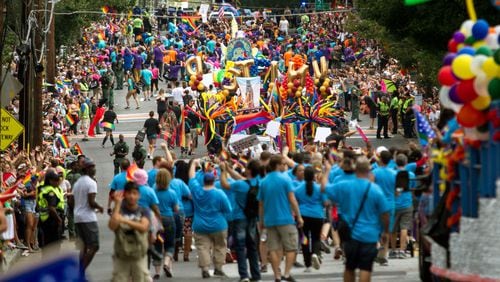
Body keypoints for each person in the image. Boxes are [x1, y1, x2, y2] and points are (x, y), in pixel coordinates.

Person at [325, 156, 391, 282]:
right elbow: (385, 214)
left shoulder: (344, 186)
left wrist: (327, 170)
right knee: (365, 269)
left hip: (350, 235)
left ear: (355, 169)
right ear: (369, 170)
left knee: (349, 267)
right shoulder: (376, 190)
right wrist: (385, 232)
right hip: (370, 235)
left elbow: (324, 189)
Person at [258, 155, 303, 282]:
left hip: (269, 220)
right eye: (283, 163)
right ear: (277, 165)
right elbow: (292, 199)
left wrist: (261, 221)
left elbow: (260, 204)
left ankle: (277, 275)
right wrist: (298, 216)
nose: (285, 165)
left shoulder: (264, 182)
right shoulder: (286, 179)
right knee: (291, 247)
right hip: (285, 219)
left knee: (273, 248)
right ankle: (286, 273)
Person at [188, 159, 232, 279]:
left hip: (200, 224)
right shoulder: (220, 194)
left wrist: (193, 165)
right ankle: (218, 267)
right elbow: (228, 209)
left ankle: (205, 268)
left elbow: (191, 178)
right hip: (219, 224)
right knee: (220, 246)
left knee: (202, 246)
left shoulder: (197, 191)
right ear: (213, 180)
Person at [220, 160, 262, 282]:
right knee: (252, 246)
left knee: (240, 247)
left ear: (248, 170)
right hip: (253, 218)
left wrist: (223, 171)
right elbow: (241, 178)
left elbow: (225, 185)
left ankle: (244, 275)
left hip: (240, 217)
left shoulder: (240, 185)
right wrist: (229, 169)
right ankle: (256, 275)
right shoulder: (259, 183)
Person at [109, 181, 150, 282]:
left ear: (138, 195)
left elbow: (144, 227)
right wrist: (117, 204)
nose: (131, 196)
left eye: (134, 193)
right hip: (122, 255)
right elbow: (112, 226)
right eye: (129, 193)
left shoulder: (143, 210)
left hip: (138, 254)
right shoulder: (119, 210)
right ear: (124, 194)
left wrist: (124, 221)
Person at [294, 166, 328, 272]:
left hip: (303, 216)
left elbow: (295, 202)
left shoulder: (298, 189)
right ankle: (315, 253)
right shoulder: (319, 188)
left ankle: (307, 264)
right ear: (314, 176)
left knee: (304, 239)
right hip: (317, 216)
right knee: (316, 238)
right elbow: (325, 203)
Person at [73, 159, 104, 271]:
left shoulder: (77, 183)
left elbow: (72, 200)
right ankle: (81, 270)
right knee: (94, 245)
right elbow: (91, 202)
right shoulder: (91, 183)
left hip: (77, 217)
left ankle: (81, 270)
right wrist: (99, 207)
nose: (94, 169)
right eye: (92, 167)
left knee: (84, 247)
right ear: (87, 169)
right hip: (88, 218)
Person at [372, 149, 397, 266]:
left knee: (376, 228)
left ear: (380, 159)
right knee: (386, 230)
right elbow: (398, 191)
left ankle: (377, 247)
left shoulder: (375, 172)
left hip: (376, 204)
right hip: (390, 205)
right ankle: (384, 255)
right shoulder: (394, 173)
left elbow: (370, 187)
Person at [153, 169, 179, 279]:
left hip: (157, 222)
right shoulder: (172, 193)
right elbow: (176, 209)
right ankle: (167, 263)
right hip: (169, 220)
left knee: (158, 245)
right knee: (170, 244)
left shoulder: (153, 191)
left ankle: (157, 272)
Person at [390, 154, 415, 259]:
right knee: (404, 227)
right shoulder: (411, 175)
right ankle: (402, 250)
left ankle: (394, 250)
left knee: (393, 228)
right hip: (407, 203)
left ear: (396, 162)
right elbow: (413, 187)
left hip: (394, 204)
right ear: (406, 162)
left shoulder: (392, 174)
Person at [38, 170, 65, 254]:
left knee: (48, 245)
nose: (58, 182)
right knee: (53, 246)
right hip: (51, 220)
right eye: (56, 180)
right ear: (50, 181)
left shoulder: (47, 188)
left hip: (46, 220)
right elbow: (52, 208)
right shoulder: (50, 192)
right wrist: (59, 219)